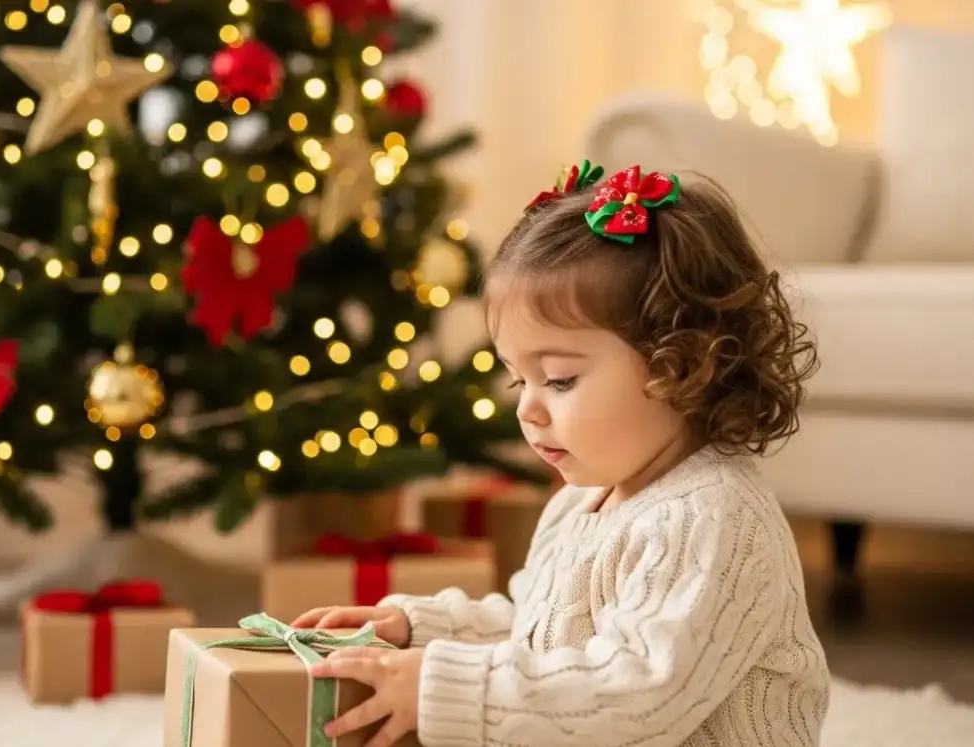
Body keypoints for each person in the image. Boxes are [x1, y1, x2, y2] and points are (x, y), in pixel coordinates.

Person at [294, 162, 831, 747]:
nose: (527, 409)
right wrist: (419, 632)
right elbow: (542, 636)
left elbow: (633, 696)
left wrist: (444, 688)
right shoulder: (581, 503)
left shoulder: (711, 518)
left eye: (558, 380)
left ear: (682, 368)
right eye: (517, 381)